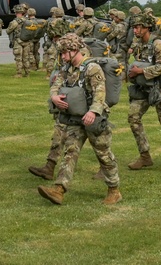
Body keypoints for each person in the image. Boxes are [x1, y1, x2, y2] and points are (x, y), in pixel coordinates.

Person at [32, 34, 121, 206]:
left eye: (65, 53)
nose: (63, 56)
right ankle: (59, 189)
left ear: (74, 50)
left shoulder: (92, 68)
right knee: (70, 151)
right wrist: (55, 97)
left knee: (104, 155)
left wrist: (93, 112)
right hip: (75, 118)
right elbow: (56, 85)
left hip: (93, 119)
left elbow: (100, 93)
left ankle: (114, 190)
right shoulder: (67, 69)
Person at [126, 12, 161, 172]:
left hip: (158, 87)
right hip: (142, 88)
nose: (135, 30)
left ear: (147, 27)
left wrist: (141, 72)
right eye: (134, 27)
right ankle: (145, 156)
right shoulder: (138, 44)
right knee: (133, 118)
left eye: (138, 27)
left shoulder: (158, 44)